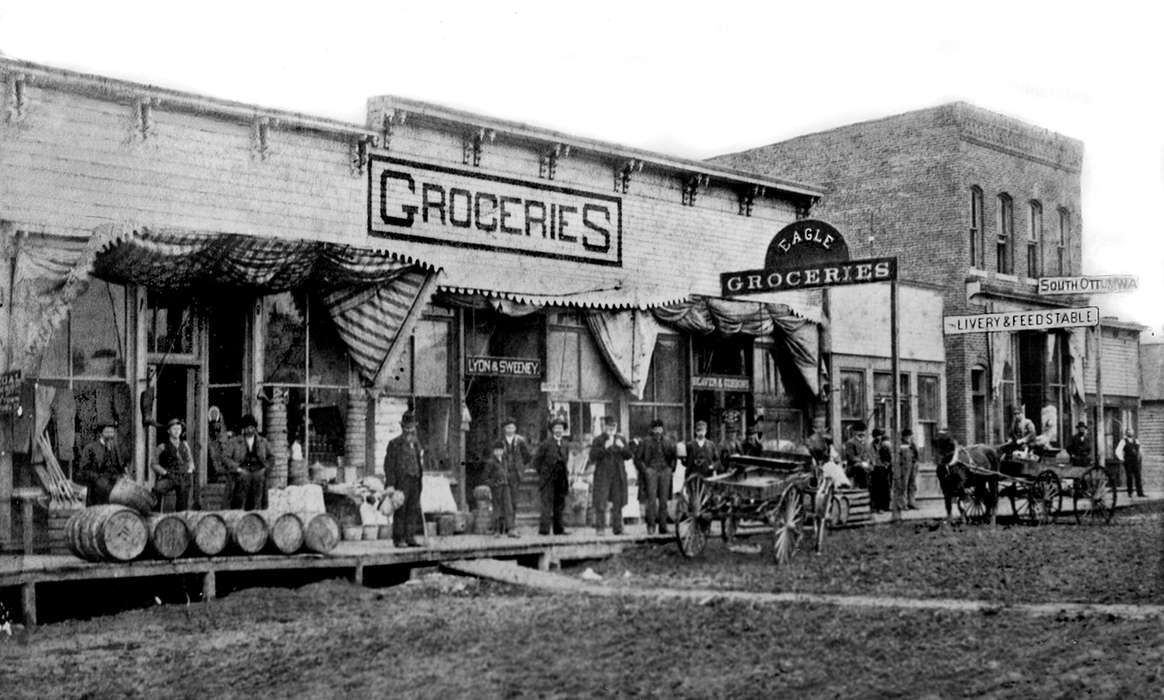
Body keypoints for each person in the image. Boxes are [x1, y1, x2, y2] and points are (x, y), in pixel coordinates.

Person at [383, 410, 426, 547]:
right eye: (407, 427)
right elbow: (388, 465)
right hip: (401, 481)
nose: (410, 430)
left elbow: (420, 462)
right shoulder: (394, 444)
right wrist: (390, 484)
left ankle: (410, 537)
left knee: (413, 509)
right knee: (401, 509)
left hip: (415, 480)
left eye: (412, 427)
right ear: (402, 428)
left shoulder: (417, 444)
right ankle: (399, 538)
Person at [589, 415, 633, 535]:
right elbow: (592, 456)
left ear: (616, 426)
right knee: (601, 502)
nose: (611, 428)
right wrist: (605, 447)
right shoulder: (598, 440)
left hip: (618, 475)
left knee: (618, 502)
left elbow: (629, 455)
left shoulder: (620, 439)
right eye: (609, 426)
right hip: (603, 475)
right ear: (604, 426)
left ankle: (618, 528)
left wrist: (622, 447)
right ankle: (600, 529)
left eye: (613, 426)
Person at [222, 414, 274, 511]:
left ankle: (257, 511)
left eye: (251, 427)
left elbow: (271, 457)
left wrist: (265, 468)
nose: (249, 430)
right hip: (241, 470)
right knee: (243, 478)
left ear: (255, 428)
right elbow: (225, 457)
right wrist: (237, 468)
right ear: (243, 429)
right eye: (247, 428)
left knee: (258, 479)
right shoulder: (235, 441)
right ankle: (239, 509)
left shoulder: (263, 442)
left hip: (258, 469)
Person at [634, 418, 678, 535]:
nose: (658, 431)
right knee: (651, 500)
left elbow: (674, 457)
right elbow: (637, 459)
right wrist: (646, 470)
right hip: (651, 471)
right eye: (655, 428)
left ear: (662, 429)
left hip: (665, 472)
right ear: (652, 430)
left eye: (660, 428)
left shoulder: (668, 441)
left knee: (663, 501)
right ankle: (651, 526)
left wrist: (670, 469)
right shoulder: (645, 442)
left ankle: (663, 527)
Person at [532, 417, 571, 536]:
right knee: (546, 504)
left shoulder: (565, 444)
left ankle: (559, 529)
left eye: (560, 428)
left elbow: (566, 460)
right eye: (556, 428)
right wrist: (544, 473)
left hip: (561, 478)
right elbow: (536, 461)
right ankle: (544, 531)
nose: (558, 430)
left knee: (559, 503)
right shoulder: (546, 444)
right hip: (548, 478)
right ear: (552, 430)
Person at [78, 421, 127, 506]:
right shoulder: (90, 448)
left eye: (112, 432)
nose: (110, 435)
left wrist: (123, 476)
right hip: (97, 489)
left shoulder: (115, 448)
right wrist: (98, 479)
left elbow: (120, 467)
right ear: (101, 434)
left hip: (113, 489)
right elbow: (84, 469)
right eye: (107, 432)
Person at [151, 417, 195, 512]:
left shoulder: (185, 445)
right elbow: (154, 464)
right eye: (174, 429)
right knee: (157, 489)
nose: (177, 431)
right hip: (169, 477)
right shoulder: (162, 447)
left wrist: (190, 469)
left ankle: (180, 517)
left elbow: (190, 461)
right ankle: (155, 516)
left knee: (183, 498)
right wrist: (164, 472)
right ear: (168, 431)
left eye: (179, 429)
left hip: (183, 476)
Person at [485, 440, 521, 537]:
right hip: (496, 488)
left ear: (503, 450)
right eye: (496, 450)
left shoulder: (505, 461)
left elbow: (507, 473)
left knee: (508, 507)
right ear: (493, 451)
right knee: (497, 508)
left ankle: (510, 529)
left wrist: (508, 480)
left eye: (500, 450)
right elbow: (485, 477)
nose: (498, 452)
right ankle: (496, 530)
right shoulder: (491, 462)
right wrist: (493, 484)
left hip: (506, 487)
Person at [932, 427, 959, 519]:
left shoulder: (951, 443)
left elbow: (952, 452)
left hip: (950, 463)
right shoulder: (938, 442)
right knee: (946, 492)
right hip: (943, 466)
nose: (941, 436)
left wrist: (944, 458)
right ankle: (949, 513)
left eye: (943, 434)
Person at [842, 421, 875, 490]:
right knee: (860, 468)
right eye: (860, 431)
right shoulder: (850, 443)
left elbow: (870, 454)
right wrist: (862, 461)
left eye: (863, 431)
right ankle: (863, 488)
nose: (862, 433)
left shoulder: (866, 443)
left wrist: (872, 461)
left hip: (866, 464)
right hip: (853, 466)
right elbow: (851, 457)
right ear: (855, 432)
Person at [1115, 427, 1145, 498]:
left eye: (1131, 431)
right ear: (1126, 433)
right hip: (1128, 461)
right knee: (1129, 477)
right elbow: (1118, 451)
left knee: (1138, 477)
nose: (1130, 432)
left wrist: (1140, 458)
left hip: (1135, 461)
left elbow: (1140, 450)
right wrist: (1121, 458)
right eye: (1128, 431)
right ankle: (1130, 493)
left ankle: (1140, 493)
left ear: (1133, 432)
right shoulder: (1123, 441)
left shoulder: (1136, 441)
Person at [896, 429, 919, 511]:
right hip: (904, 467)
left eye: (910, 436)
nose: (909, 438)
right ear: (904, 437)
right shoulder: (900, 444)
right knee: (903, 486)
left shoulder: (912, 444)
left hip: (912, 466)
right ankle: (902, 504)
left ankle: (911, 502)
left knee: (912, 485)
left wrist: (916, 463)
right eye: (908, 436)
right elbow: (898, 457)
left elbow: (916, 455)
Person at [871, 428, 892, 512]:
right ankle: (878, 507)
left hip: (885, 468)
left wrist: (887, 464)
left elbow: (888, 455)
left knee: (886, 487)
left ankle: (886, 506)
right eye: (877, 436)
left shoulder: (884, 444)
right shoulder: (871, 445)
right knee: (877, 488)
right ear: (873, 437)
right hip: (876, 468)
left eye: (880, 435)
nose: (878, 437)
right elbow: (871, 456)